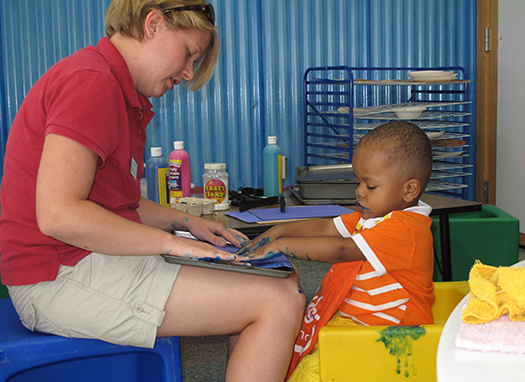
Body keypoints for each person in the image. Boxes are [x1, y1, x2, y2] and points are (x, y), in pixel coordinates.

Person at [0, 1, 305, 381]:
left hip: (85, 262)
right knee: (278, 302)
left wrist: (186, 222)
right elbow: (60, 215)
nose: (188, 72)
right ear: (153, 24)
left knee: (271, 278)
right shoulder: (91, 83)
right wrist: (172, 245)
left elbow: (118, 204)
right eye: (189, 53)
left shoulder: (116, 90)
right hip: (57, 279)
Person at [240, 121, 436, 381]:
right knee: (296, 343)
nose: (359, 192)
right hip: (357, 323)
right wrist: (279, 230)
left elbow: (342, 250)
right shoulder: (375, 217)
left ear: (409, 190)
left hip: (393, 337)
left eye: (371, 186)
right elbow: (327, 227)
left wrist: (281, 246)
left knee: (311, 373)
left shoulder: (406, 229)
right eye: (358, 182)